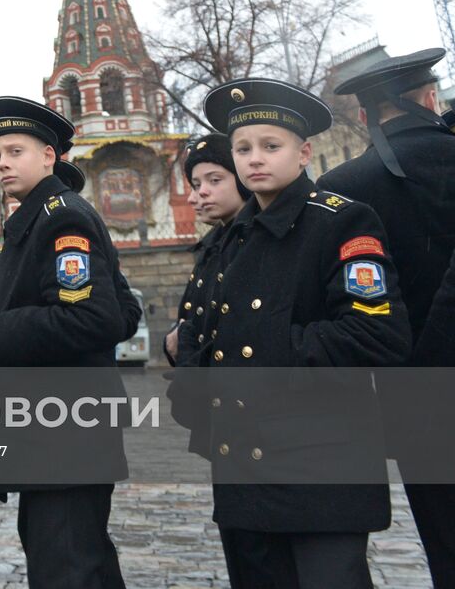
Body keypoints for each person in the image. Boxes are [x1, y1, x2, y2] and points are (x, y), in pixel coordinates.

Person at [186, 78, 412, 588]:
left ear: (304, 151)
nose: (254, 159)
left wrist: (259, 355)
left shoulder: (343, 222)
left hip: (322, 467)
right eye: (243, 148)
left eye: (271, 146)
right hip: (244, 467)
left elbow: (378, 335)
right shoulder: (233, 238)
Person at [0, 96, 127, 589]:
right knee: (77, 560)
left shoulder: (62, 217)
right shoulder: (36, 219)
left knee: (66, 566)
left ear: (49, 155)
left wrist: (0, 329)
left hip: (66, 432)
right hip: (49, 431)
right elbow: (124, 307)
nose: (2, 165)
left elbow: (94, 317)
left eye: (14, 151)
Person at [315, 48, 455, 585]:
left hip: (416, 400)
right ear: (428, 98)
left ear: (368, 116)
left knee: (445, 539)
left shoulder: (342, 190)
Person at [166, 135, 250, 368]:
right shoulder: (214, 244)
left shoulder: (249, 241)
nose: (199, 195)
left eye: (214, 180)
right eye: (196, 184)